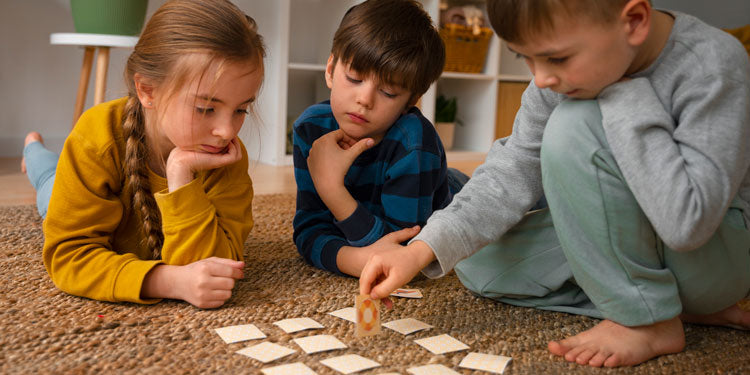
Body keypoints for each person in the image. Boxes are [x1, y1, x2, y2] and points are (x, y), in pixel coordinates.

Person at [359, 0, 750, 368]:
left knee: (573, 125)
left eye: (556, 58)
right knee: (476, 263)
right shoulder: (559, 75)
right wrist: (420, 249)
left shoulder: (714, 64)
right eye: (525, 57)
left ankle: (645, 321)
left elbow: (687, 226)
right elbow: (511, 171)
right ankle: (669, 304)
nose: (541, 78)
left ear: (633, 22)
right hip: (643, 245)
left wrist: (623, 92)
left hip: (713, 253)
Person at [21, 0, 265, 309]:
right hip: (69, 182)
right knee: (48, 182)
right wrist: (171, 281)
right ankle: (33, 149)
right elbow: (71, 257)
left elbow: (216, 266)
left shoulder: (225, 155)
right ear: (147, 90)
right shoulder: (95, 139)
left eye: (241, 109)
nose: (227, 131)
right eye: (206, 108)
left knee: (52, 176)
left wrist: (180, 176)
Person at [292, 0, 469, 277]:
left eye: (387, 92)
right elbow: (309, 228)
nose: (364, 99)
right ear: (330, 70)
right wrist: (355, 260)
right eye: (353, 78)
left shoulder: (414, 143)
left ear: (411, 101)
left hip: (458, 193)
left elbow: (404, 252)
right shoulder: (310, 129)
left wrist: (332, 190)